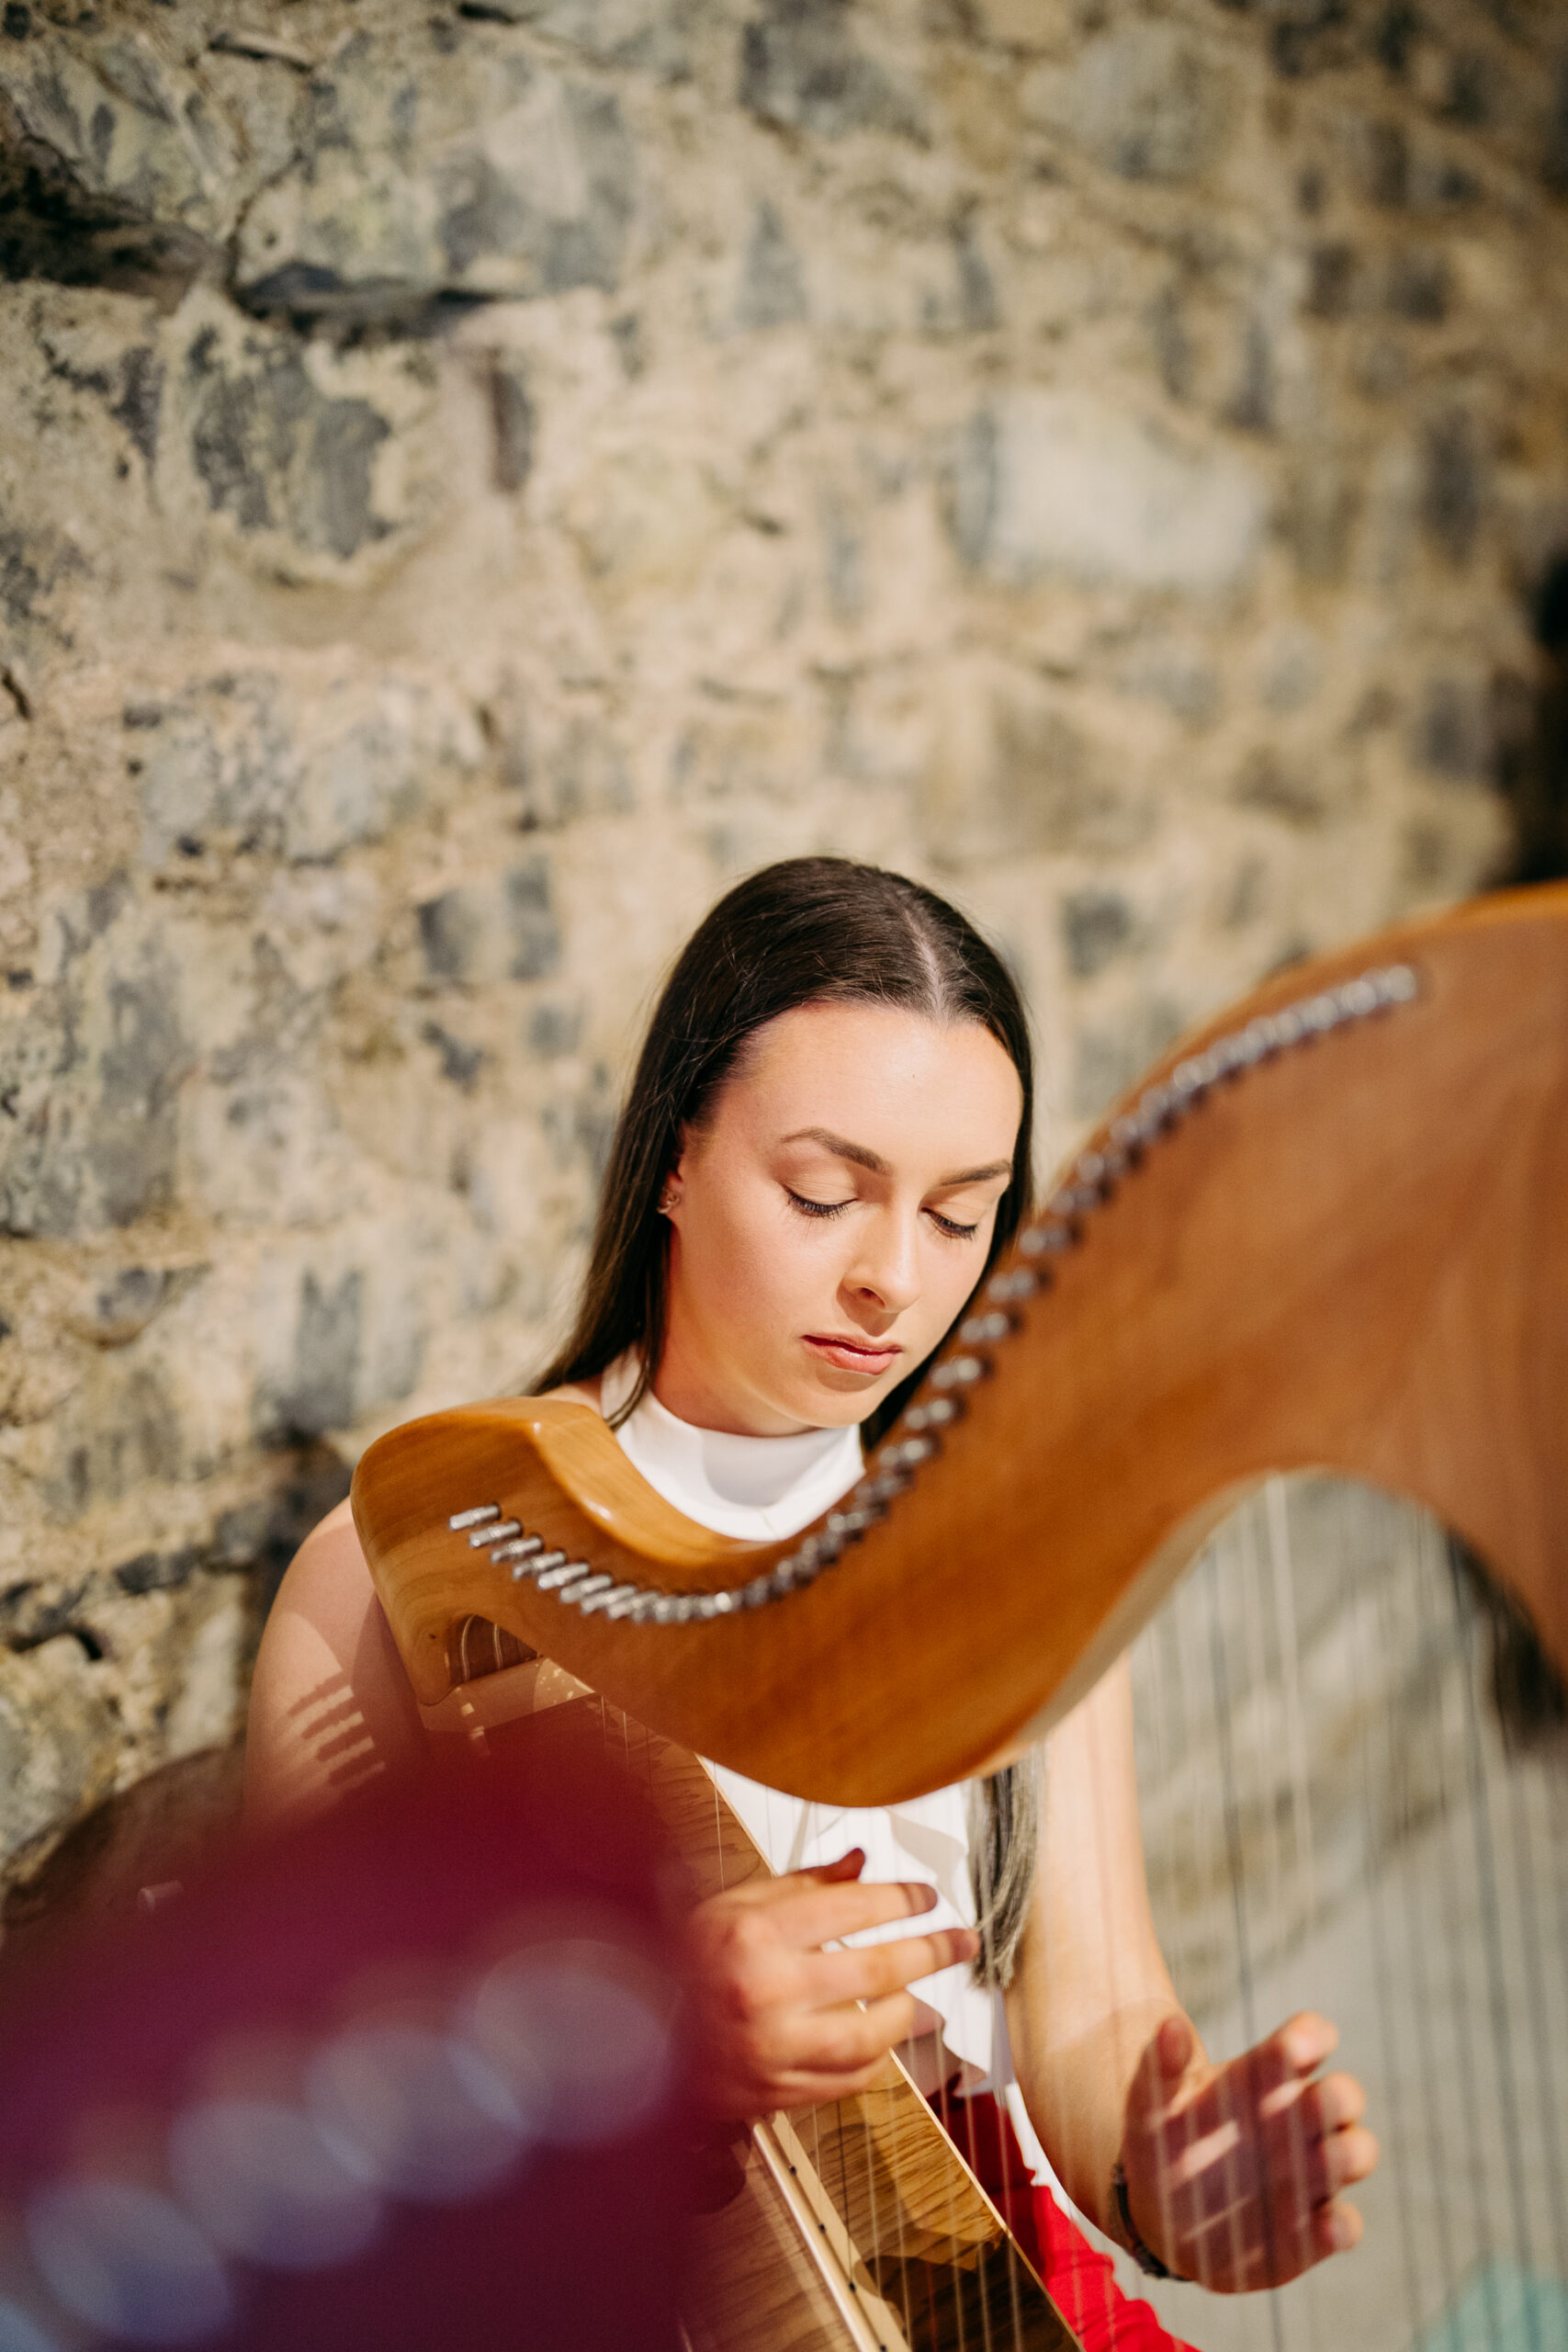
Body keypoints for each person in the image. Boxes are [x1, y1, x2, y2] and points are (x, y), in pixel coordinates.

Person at [246, 857, 1377, 2344]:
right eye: (823, 1194)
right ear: (673, 1156)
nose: (893, 1282)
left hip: (998, 2273)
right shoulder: (414, 1563)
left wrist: (1181, 2182)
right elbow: (290, 2123)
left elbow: (1090, 2017)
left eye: (962, 1216)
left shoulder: (1009, 1550)